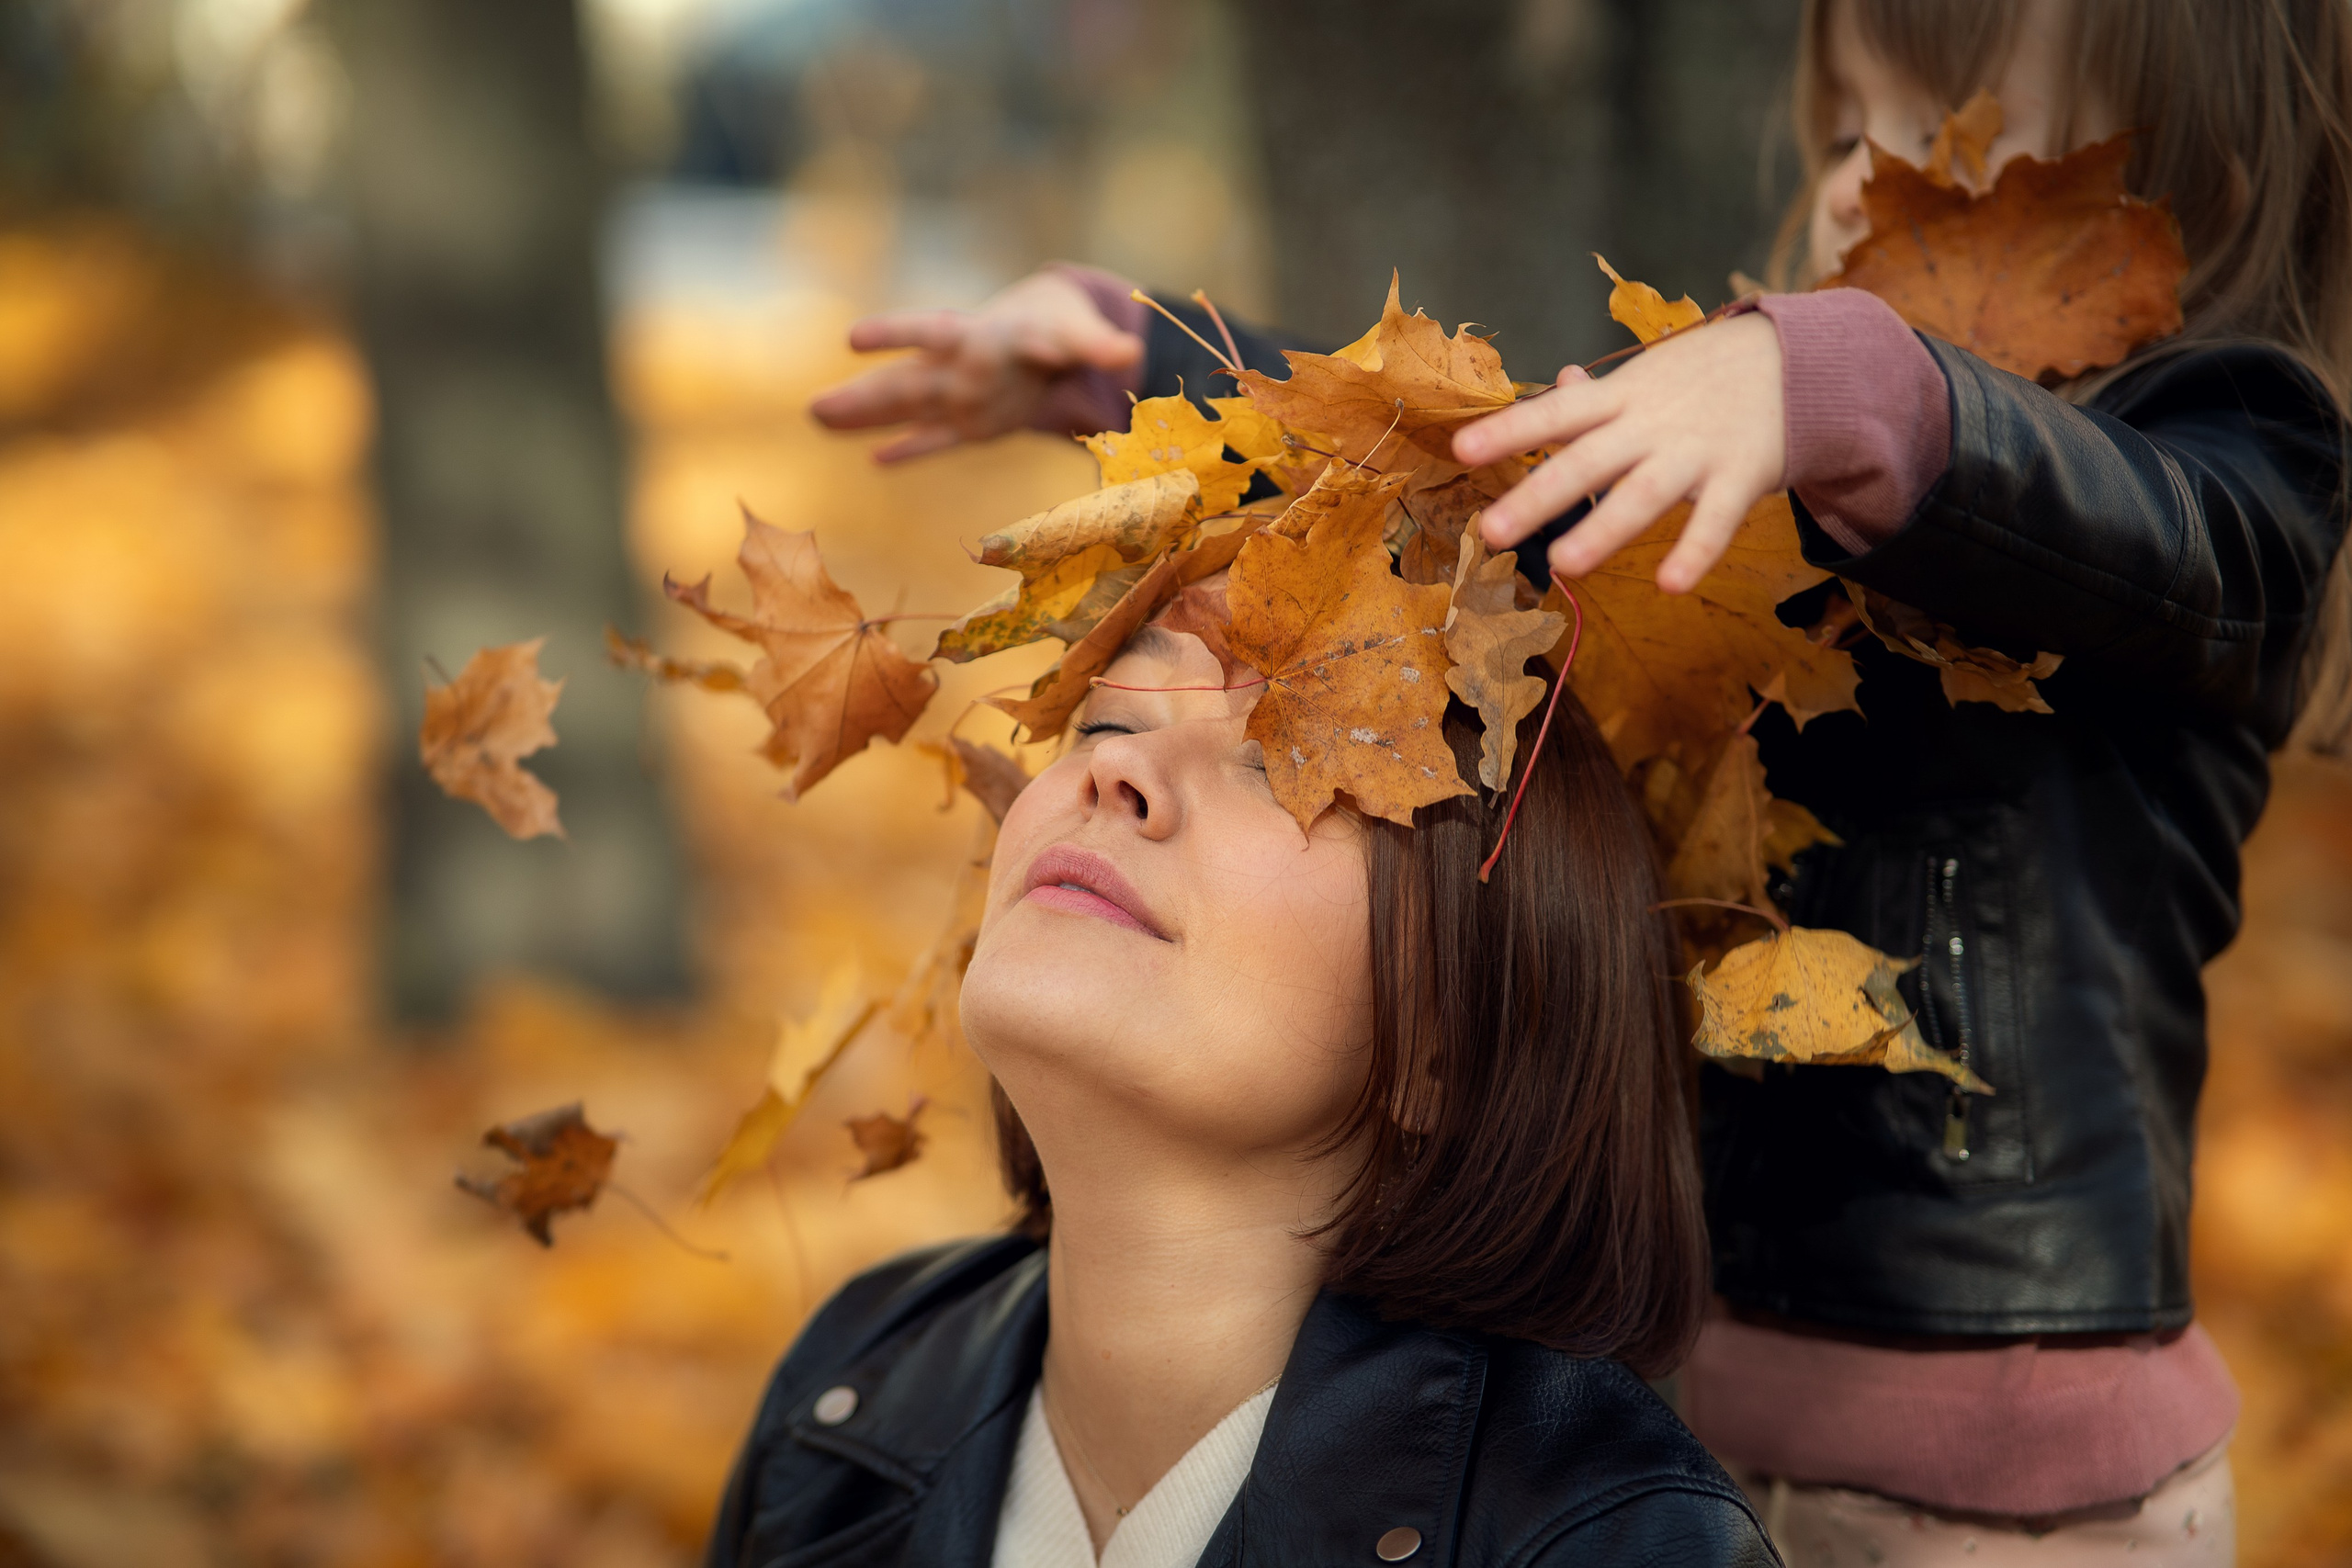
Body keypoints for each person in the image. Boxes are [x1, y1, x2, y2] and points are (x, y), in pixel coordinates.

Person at [800, 3, 2352, 1560]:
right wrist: (1159, 367)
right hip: (1694, 1428)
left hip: (2025, 1503)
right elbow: (1487, 464)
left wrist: (1831, 377)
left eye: (1961, 141)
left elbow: (2159, 533)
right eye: (1836, 140)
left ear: (2193, 177)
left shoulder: (2245, 460)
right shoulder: (1779, 494)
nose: (1856, 189)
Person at [703, 611, 1779, 1565]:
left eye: (1281, 757)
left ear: (1451, 1033)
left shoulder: (1602, 1541)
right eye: (1106, 723)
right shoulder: (854, 1387)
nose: (1111, 774)